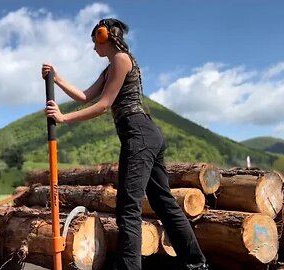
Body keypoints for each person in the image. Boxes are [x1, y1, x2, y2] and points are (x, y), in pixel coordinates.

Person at [42, 18, 208, 270]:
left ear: (103, 36)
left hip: (139, 134)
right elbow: (86, 96)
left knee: (128, 208)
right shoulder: (110, 68)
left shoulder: (121, 59)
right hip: (145, 135)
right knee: (162, 201)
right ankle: (196, 263)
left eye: (94, 40)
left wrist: (63, 119)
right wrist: (57, 78)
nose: (93, 47)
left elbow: (103, 105)